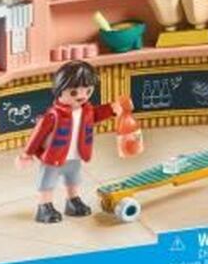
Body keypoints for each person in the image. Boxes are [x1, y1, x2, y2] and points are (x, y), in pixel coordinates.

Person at [18, 60, 131, 223]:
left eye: (88, 91)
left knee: (73, 179)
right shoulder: (53, 115)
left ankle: (73, 201)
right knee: (48, 181)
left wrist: (111, 109)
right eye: (74, 92)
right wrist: (26, 154)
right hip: (54, 156)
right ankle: (44, 205)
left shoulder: (86, 110)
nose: (82, 96)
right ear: (60, 90)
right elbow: (37, 135)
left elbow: (96, 114)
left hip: (76, 154)